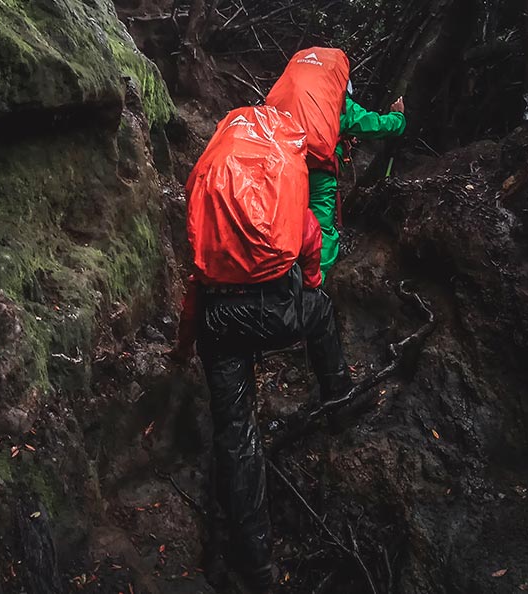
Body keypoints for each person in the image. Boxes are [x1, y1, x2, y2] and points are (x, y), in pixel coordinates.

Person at [170, 106, 352, 592]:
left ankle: (256, 567)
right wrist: (309, 288)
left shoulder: (209, 176)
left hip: (221, 321)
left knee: (237, 433)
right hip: (279, 310)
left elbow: (197, 275)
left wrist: (183, 347)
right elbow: (310, 238)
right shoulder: (283, 170)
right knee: (323, 314)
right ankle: (340, 407)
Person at [310, 90, 406, 278]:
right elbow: (374, 124)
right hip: (319, 171)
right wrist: (398, 117)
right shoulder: (336, 101)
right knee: (321, 229)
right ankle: (313, 284)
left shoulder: (302, 99)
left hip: (286, 163)